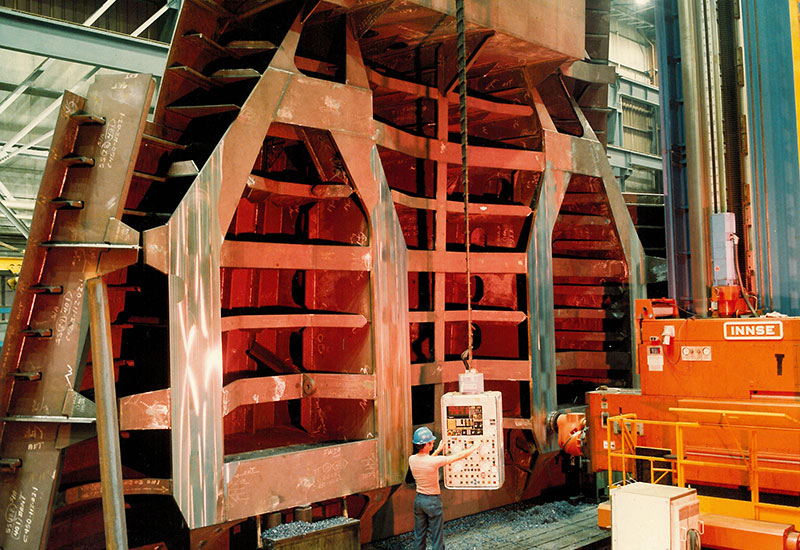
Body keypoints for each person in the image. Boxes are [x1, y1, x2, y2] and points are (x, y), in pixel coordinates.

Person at [408, 426, 479, 550]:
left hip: (419, 500)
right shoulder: (433, 462)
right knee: (437, 536)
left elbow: (428, 460)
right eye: (432, 443)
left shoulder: (412, 459)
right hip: (432, 501)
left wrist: (438, 450)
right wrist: (474, 447)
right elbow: (458, 456)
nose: (432, 445)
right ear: (426, 444)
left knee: (419, 535)